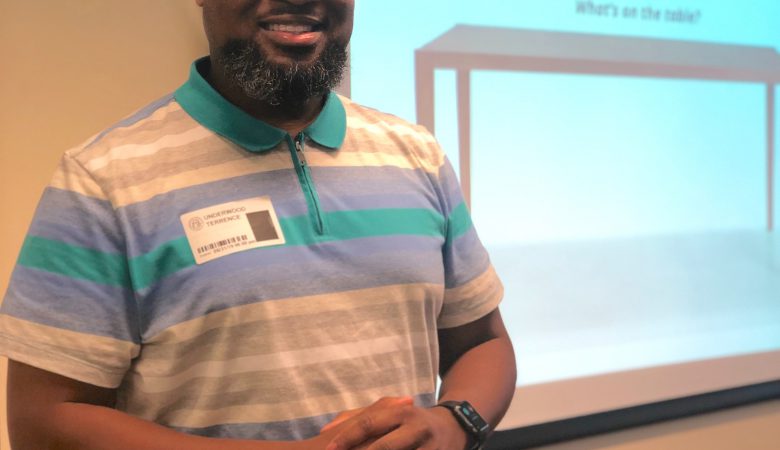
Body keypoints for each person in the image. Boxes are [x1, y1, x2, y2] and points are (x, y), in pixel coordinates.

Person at [0, 1, 516, 449]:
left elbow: (481, 342)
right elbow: (43, 423)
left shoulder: (416, 156)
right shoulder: (102, 181)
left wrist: (453, 423)